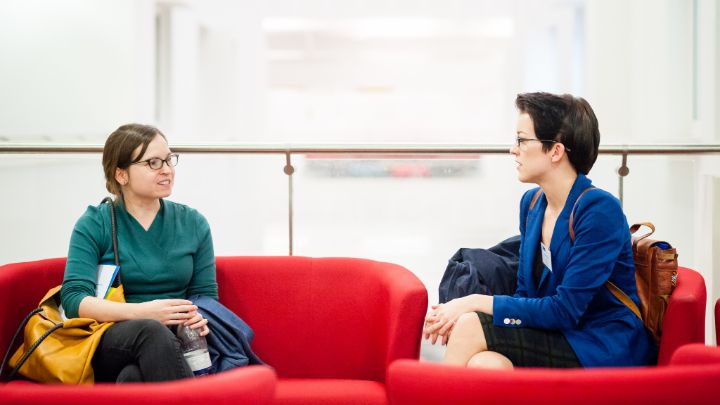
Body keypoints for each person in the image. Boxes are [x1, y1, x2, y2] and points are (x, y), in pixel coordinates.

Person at [423, 92, 656, 369]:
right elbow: (526, 294)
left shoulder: (599, 211)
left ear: (556, 151)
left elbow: (565, 310)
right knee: (486, 364)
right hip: (557, 333)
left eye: (522, 140)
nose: (514, 149)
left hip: (601, 344)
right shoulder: (533, 203)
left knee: (470, 325)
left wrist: (473, 302)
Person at [60, 123, 218, 382]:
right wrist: (144, 312)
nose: (167, 170)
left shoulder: (192, 222)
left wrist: (197, 317)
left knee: (132, 378)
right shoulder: (94, 223)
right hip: (113, 336)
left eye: (169, 160)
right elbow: (74, 299)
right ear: (121, 175)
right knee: (151, 331)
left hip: (178, 338)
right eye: (153, 163)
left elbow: (206, 297)